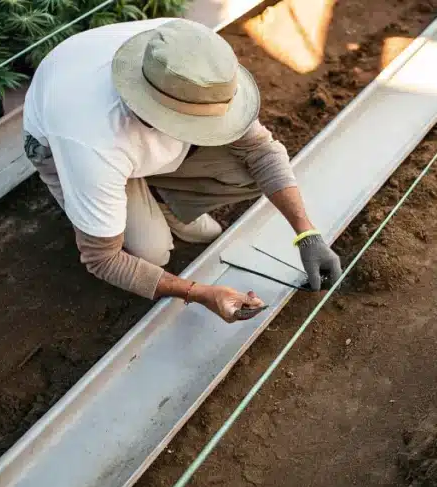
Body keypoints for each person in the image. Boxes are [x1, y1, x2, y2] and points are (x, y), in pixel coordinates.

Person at [21, 18, 342, 322]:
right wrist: (200, 293)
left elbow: (260, 152)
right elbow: (102, 258)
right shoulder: (90, 142)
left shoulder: (191, 60)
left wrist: (307, 234)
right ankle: (134, 191)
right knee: (153, 254)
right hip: (69, 149)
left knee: (248, 169)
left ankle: (162, 198)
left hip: (130, 144)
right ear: (160, 114)